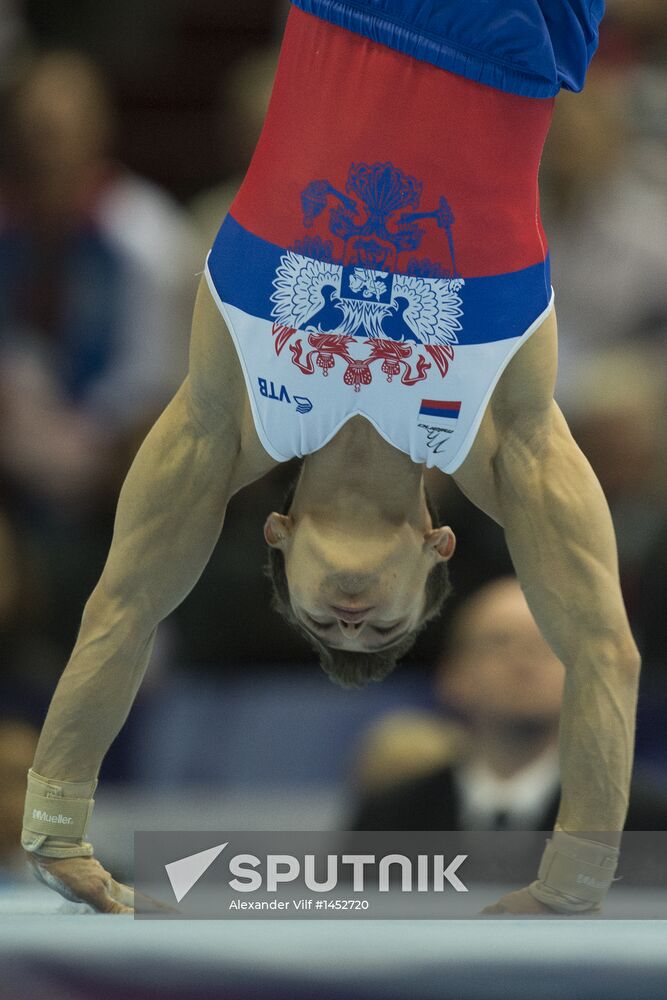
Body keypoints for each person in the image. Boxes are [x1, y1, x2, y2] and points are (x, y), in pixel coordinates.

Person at [21, 1, 641, 918]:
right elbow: (600, 650)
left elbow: (124, 606)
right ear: (436, 549)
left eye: (330, 626)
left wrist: (55, 821)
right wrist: (573, 881)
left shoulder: (227, 419)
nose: (352, 618)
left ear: (277, 536)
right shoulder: (502, 438)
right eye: (382, 630)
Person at [351, 577, 667, 832]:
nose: (523, 663)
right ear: (453, 675)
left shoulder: (641, 821)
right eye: (500, 643)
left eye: (546, 644)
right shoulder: (390, 818)